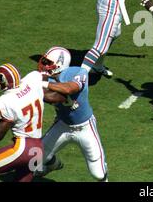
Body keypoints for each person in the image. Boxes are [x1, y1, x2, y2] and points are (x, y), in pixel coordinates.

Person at [0, 63, 65, 182]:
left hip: (23, 148)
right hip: (38, 148)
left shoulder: (5, 102)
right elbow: (42, 75)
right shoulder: (33, 81)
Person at [36, 46, 108, 181]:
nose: (44, 65)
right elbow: (47, 97)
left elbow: (68, 89)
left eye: (48, 62)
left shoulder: (77, 72)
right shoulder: (45, 78)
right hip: (62, 125)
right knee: (33, 160)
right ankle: (52, 164)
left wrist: (43, 84)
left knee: (98, 174)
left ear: (60, 64)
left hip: (85, 127)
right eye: (44, 61)